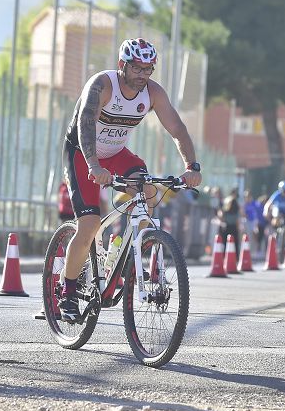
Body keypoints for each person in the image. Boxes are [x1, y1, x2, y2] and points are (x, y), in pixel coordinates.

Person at [58, 38, 203, 323]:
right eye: (137, 68)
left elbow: (177, 129)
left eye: (148, 69)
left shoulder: (153, 93)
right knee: (87, 226)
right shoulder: (102, 85)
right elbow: (85, 126)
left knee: (148, 190)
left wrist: (192, 166)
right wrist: (93, 165)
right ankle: (68, 292)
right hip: (82, 153)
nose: (142, 75)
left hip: (116, 155)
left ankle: (130, 248)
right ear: (122, 65)